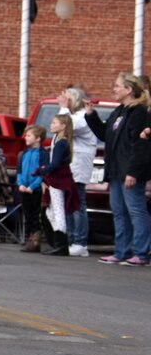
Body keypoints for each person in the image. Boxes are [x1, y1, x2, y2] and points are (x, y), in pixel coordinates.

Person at [86, 73, 151, 266]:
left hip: (129, 171)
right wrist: (91, 115)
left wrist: (133, 171)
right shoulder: (120, 112)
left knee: (136, 211)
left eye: (117, 86)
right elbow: (105, 134)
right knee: (119, 212)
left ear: (129, 89)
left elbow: (141, 145)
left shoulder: (140, 112)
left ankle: (141, 253)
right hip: (115, 171)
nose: (114, 89)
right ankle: (122, 250)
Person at [58, 87, 96, 256]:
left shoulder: (82, 118)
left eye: (67, 99)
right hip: (70, 165)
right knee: (69, 203)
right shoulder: (74, 116)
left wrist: (64, 108)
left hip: (79, 165)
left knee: (78, 203)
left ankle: (80, 242)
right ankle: (71, 238)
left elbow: (65, 126)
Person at [37, 114, 79, 256]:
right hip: (56, 178)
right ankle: (58, 241)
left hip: (59, 179)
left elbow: (55, 164)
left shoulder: (62, 143)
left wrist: (42, 171)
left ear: (63, 126)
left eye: (55, 123)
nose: (51, 125)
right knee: (51, 210)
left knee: (58, 210)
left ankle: (61, 244)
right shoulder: (58, 141)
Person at [16, 125, 46, 252]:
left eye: (29, 135)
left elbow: (42, 173)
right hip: (24, 188)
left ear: (38, 138)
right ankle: (29, 238)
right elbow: (20, 171)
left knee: (35, 215)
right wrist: (21, 184)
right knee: (27, 214)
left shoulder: (43, 154)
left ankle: (36, 239)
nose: (25, 138)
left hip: (35, 189)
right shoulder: (24, 153)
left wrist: (33, 186)